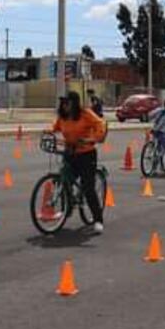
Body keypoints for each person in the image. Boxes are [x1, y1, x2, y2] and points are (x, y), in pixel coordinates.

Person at [51, 91, 108, 233]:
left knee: (88, 187)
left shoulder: (85, 114)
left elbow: (100, 124)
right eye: (63, 102)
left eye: (67, 102)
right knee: (65, 181)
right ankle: (66, 210)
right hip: (70, 152)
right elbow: (55, 128)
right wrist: (47, 133)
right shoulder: (63, 117)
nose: (64, 105)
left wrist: (92, 138)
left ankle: (98, 220)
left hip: (86, 154)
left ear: (75, 103)